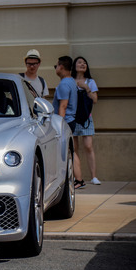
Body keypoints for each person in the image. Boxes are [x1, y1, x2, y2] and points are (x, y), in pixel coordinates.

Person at [53, 56, 84, 189]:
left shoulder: (64, 84)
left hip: (65, 122)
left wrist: (59, 125)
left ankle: (78, 180)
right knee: (72, 151)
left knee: (67, 152)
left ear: (61, 66)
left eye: (56, 66)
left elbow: (63, 106)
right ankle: (79, 179)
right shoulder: (72, 81)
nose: (55, 69)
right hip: (70, 121)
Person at [72, 56, 100, 185]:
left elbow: (95, 99)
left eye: (84, 63)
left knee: (88, 146)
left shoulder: (90, 81)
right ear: (74, 66)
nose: (82, 64)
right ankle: (77, 177)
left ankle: (94, 176)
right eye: (79, 62)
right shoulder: (70, 81)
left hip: (87, 118)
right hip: (72, 117)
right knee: (74, 148)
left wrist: (85, 87)